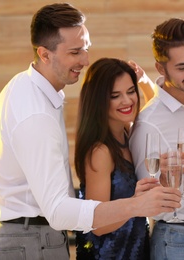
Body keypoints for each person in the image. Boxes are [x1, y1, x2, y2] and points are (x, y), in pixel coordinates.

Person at [0, 3, 181, 259]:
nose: (86, 60)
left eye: (86, 49)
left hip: (34, 237)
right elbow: (57, 211)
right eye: (76, 52)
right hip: (32, 241)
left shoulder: (32, 90)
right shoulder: (35, 112)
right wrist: (136, 205)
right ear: (45, 54)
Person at [129, 18, 184, 260]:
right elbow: (143, 198)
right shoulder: (148, 123)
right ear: (161, 68)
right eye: (182, 67)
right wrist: (162, 179)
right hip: (179, 239)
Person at [74, 57, 155, 259]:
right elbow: (97, 224)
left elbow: (156, 106)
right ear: (99, 100)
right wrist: (137, 202)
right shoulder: (100, 151)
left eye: (130, 91)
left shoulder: (129, 132)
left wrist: (144, 81)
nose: (127, 101)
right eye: (115, 95)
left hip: (135, 251)